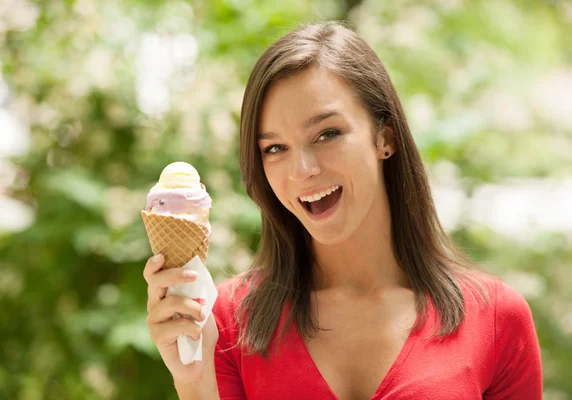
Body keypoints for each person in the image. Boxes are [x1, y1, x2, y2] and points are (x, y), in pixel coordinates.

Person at [143, 21, 543, 400]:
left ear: (384, 137)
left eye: (327, 134)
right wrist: (193, 381)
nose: (303, 170)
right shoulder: (224, 322)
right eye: (275, 148)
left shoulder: (496, 318)